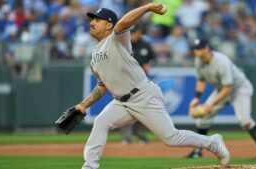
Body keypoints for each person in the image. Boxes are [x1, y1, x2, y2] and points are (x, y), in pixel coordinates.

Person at [73, 3, 230, 169]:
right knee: (101, 121)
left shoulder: (117, 39)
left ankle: (212, 142)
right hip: (122, 101)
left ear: (108, 25)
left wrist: (147, 8)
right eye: (92, 19)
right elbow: (102, 86)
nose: (92, 22)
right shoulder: (94, 56)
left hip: (143, 95)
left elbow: (123, 23)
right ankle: (89, 166)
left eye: (98, 19)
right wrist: (83, 105)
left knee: (171, 138)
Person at [186, 39, 256, 161]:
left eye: (199, 48)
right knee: (203, 118)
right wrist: (197, 97)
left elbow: (229, 87)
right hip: (221, 90)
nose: (196, 51)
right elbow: (201, 79)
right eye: (195, 49)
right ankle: (197, 151)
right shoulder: (198, 61)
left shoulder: (221, 61)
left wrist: (210, 104)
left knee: (245, 120)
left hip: (239, 89)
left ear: (207, 48)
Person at [119, 23, 154, 145]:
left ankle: (140, 135)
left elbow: (149, 61)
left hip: (142, 83)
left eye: (134, 32)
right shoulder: (124, 45)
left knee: (142, 110)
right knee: (126, 109)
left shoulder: (146, 45)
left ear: (139, 32)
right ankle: (126, 137)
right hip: (127, 82)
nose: (133, 35)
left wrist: (148, 67)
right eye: (131, 33)